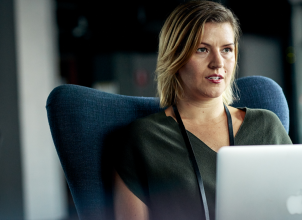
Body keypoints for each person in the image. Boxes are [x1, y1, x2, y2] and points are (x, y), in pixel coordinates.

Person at [113, 1, 292, 220]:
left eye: (226, 49)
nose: (218, 63)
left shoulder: (266, 126)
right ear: (175, 57)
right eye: (202, 49)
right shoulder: (144, 139)